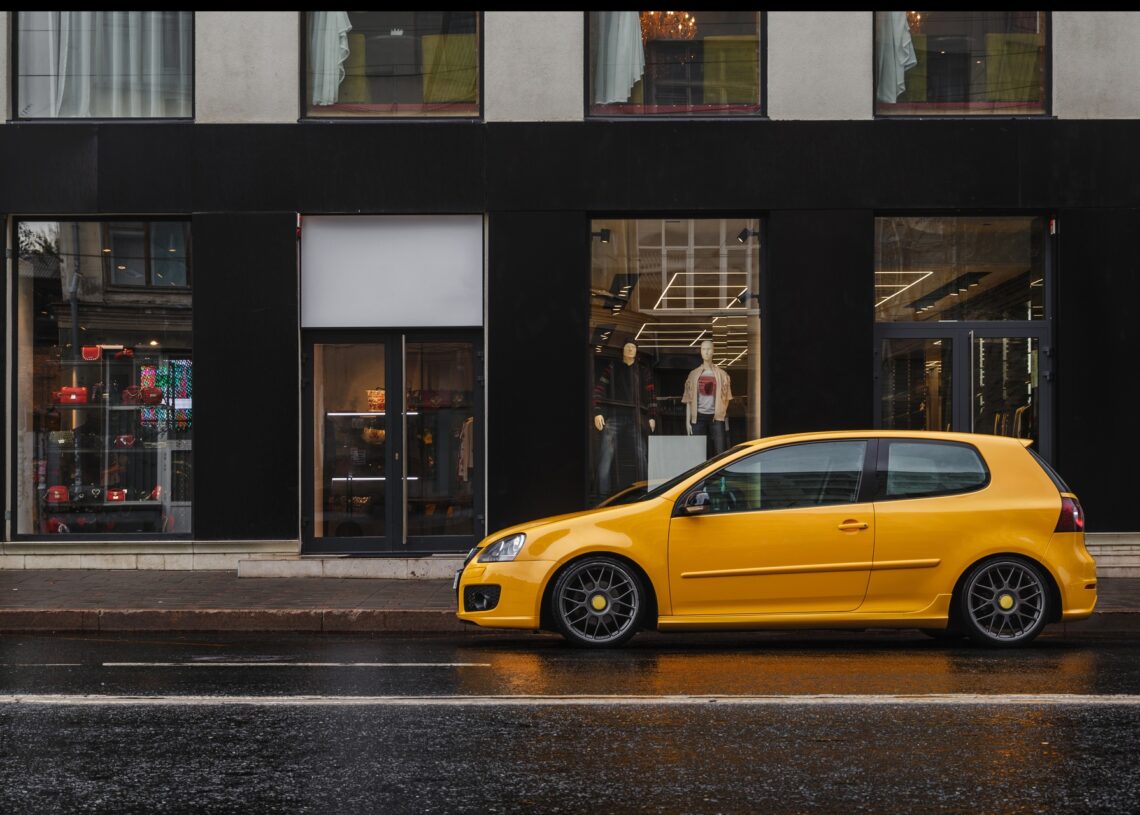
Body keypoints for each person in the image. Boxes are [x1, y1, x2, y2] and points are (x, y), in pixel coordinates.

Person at [593, 341, 656, 495]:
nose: (629, 349)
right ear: (622, 350)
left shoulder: (642, 371)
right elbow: (599, 389)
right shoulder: (613, 367)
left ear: (636, 351)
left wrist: (652, 416)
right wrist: (597, 412)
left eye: (633, 347)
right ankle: (603, 493)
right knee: (606, 454)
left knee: (641, 454)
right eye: (627, 346)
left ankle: (646, 492)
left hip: (636, 417)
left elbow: (651, 394)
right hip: (615, 416)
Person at [681, 339, 731, 457]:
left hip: (717, 418)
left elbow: (727, 398)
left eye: (709, 349)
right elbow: (688, 399)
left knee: (721, 452)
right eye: (703, 349)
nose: (706, 352)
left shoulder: (722, 374)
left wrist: (721, 413)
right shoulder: (693, 375)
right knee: (697, 454)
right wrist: (687, 421)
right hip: (698, 418)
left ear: (713, 351)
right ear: (701, 352)